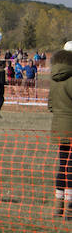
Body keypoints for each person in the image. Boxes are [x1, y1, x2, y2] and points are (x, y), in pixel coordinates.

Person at [48, 45, 72, 221]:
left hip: (59, 127)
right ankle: (70, 209)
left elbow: (50, 105)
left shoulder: (55, 78)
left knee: (63, 166)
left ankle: (58, 207)